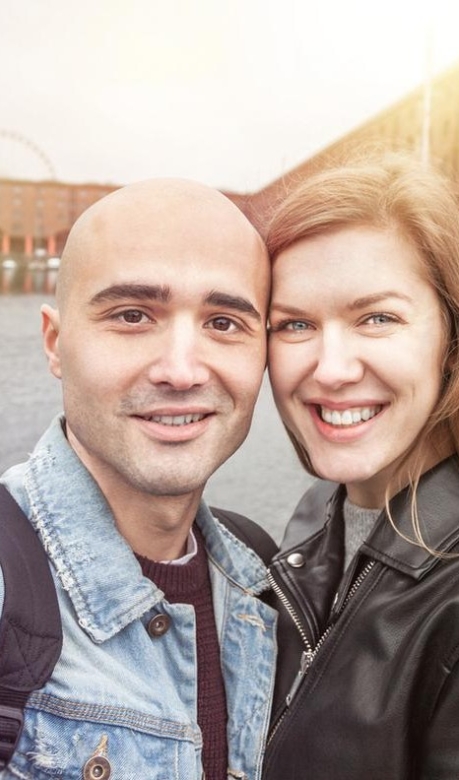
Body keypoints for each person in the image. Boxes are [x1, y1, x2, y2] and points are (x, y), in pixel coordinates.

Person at [0, 178, 278, 779]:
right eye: (131, 315)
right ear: (55, 342)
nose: (181, 370)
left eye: (225, 323)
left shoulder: (264, 581)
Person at [262, 154, 459, 779]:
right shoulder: (317, 518)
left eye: (376, 318)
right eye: (294, 323)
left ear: (454, 337)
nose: (331, 368)